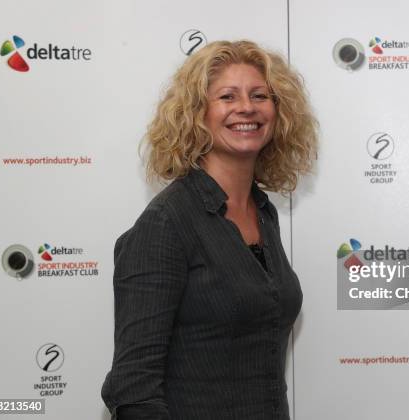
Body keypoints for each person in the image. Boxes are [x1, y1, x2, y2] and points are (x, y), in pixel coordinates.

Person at [101, 40, 318, 420]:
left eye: (259, 95)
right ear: (196, 114)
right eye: (227, 96)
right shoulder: (166, 223)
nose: (246, 107)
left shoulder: (262, 212)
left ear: (278, 111)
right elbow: (134, 392)